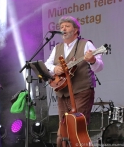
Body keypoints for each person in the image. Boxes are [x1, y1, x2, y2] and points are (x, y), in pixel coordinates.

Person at [44, 16, 104, 146]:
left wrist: (92, 60)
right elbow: (47, 64)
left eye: (67, 26)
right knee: (62, 133)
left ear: (76, 30)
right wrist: (55, 68)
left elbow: (99, 67)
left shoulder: (86, 44)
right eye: (61, 27)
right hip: (62, 93)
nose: (63, 29)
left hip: (81, 91)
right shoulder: (57, 47)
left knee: (77, 129)